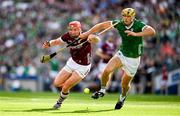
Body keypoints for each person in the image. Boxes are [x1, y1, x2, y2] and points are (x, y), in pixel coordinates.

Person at [79, 8, 156, 110]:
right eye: (124, 16)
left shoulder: (138, 24)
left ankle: (122, 97)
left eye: (129, 16)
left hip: (134, 59)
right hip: (122, 54)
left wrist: (136, 34)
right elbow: (102, 25)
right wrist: (86, 33)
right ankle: (102, 90)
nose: (126, 18)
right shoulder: (118, 23)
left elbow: (152, 31)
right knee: (106, 71)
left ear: (133, 17)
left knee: (125, 84)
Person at [42, 21, 99, 109]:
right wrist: (49, 43)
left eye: (75, 30)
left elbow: (96, 40)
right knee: (56, 83)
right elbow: (57, 41)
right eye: (71, 30)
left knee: (66, 86)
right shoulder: (67, 36)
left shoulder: (86, 36)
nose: (72, 32)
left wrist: (93, 38)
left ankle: (59, 102)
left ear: (80, 29)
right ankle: (66, 91)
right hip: (72, 62)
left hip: (83, 67)